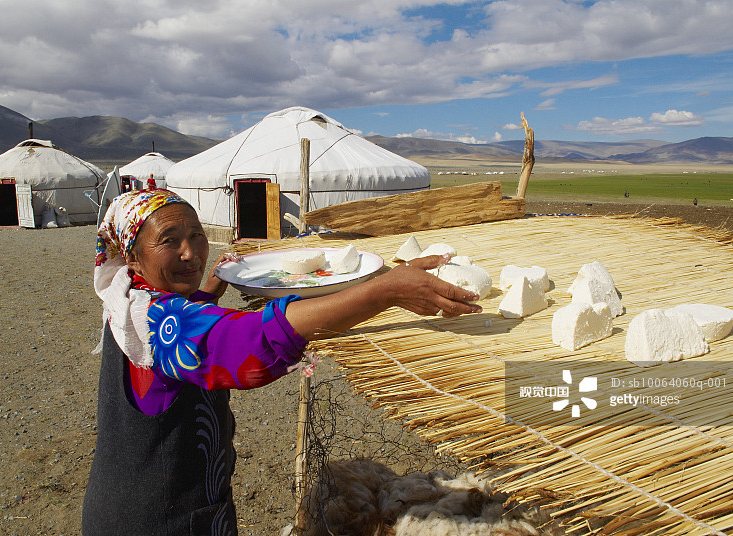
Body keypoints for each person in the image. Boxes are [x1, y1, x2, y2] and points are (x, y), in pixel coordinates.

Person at [82, 189, 482, 536]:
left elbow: (191, 320)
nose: (190, 252)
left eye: (196, 235)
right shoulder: (157, 324)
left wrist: (212, 287)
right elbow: (246, 341)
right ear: (132, 259)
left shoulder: (131, 304)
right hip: (155, 522)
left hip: (156, 505)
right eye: (169, 241)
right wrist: (384, 293)